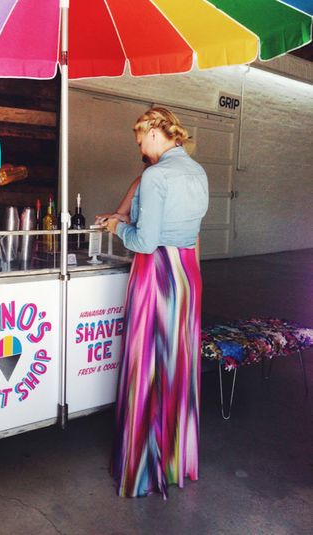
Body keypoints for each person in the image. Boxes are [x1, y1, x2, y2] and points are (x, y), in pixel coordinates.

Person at [105, 106, 209, 499]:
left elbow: (144, 242)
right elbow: (193, 234)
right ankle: (174, 459)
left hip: (157, 273)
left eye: (140, 142)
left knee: (147, 367)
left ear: (152, 134)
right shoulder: (197, 172)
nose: (141, 150)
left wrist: (117, 225)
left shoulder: (156, 175)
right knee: (176, 368)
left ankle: (143, 468)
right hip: (186, 275)